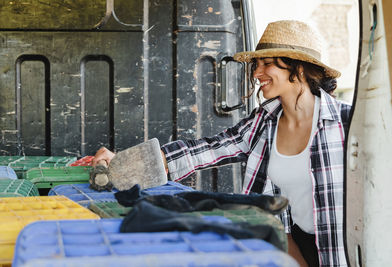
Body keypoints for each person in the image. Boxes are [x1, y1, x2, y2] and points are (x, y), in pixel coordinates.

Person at [92, 20, 351, 267]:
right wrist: (125, 162)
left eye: (268, 64)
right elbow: (206, 150)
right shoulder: (264, 122)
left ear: (301, 68)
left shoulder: (348, 123)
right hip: (294, 244)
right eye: (256, 64)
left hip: (345, 251)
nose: (257, 73)